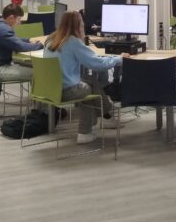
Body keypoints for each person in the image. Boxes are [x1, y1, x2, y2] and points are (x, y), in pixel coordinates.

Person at [43, 11, 126, 144]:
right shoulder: (73, 42)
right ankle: (86, 131)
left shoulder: (51, 39)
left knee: (89, 82)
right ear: (78, 24)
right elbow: (97, 64)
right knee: (89, 88)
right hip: (63, 91)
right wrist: (119, 59)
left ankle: (107, 116)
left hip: (48, 90)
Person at [0, 4, 43, 84]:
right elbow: (20, 47)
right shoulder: (4, 29)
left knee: (35, 68)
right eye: (19, 19)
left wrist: (28, 40)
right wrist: (41, 45)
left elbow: (11, 41)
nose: (19, 23)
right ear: (11, 18)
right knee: (38, 72)